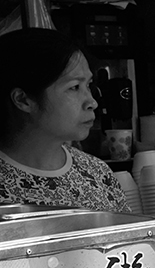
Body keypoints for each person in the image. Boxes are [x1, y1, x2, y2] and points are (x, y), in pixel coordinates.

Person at [0, 28, 130, 212]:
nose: (92, 102)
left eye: (88, 85)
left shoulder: (96, 173)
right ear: (23, 100)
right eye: (74, 87)